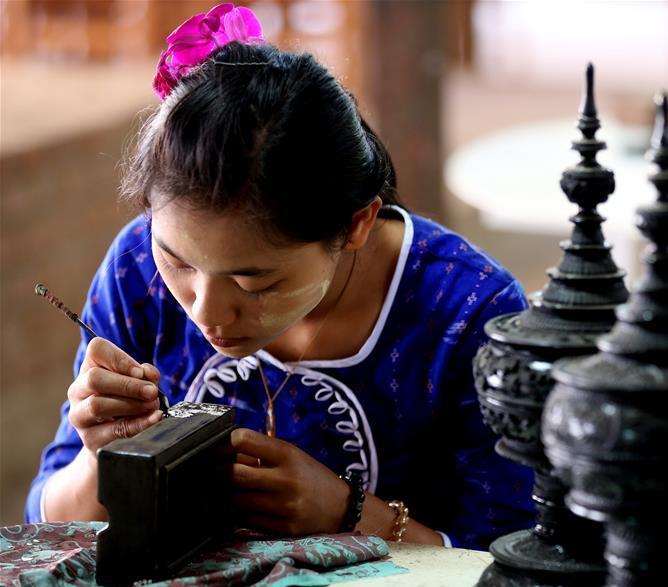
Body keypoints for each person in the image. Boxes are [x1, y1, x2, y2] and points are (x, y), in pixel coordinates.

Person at [26, 3, 534, 550]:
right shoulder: (135, 269)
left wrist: (350, 512)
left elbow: (516, 556)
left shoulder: (470, 314)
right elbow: (48, 520)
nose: (204, 312)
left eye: (255, 284)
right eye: (178, 263)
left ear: (357, 223)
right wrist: (99, 455)